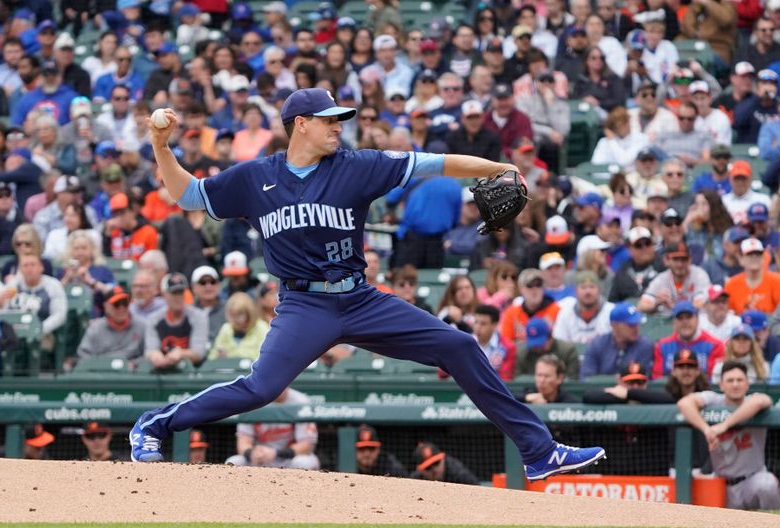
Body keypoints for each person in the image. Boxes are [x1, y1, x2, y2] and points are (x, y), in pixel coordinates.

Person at [128, 89, 605, 480]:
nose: (339, 126)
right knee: (260, 388)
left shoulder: (358, 165)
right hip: (303, 306)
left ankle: (539, 452)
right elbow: (188, 194)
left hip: (359, 299)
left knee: (459, 346)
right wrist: (162, 146)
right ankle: (156, 424)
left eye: (341, 119)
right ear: (301, 124)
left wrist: (497, 170)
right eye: (329, 119)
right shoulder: (258, 177)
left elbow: (436, 163)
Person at [677, 361, 780, 510]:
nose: (735, 385)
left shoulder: (754, 398)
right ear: (721, 385)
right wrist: (707, 430)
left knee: (767, 484)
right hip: (721, 483)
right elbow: (684, 403)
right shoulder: (713, 400)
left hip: (752, 479)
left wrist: (724, 425)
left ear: (747, 384)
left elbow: (760, 401)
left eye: (740, 380)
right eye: (730, 380)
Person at [226, 387, 320, 470]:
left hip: (289, 459)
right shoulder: (251, 401)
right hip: (259, 459)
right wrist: (252, 453)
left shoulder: (301, 402)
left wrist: (276, 453)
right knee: (233, 462)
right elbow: (243, 443)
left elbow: (307, 446)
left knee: (303, 463)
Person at [143, 273, 208, 371]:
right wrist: (154, 355)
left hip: (192, 372)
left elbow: (199, 353)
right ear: (164, 294)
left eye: (181, 293)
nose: (178, 297)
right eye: (174, 293)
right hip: (161, 372)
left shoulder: (198, 316)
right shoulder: (154, 319)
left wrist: (182, 353)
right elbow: (150, 349)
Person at [581, 302, 654, 379]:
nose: (636, 329)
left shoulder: (644, 346)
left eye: (637, 324)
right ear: (614, 325)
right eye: (630, 325)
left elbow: (644, 379)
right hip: (600, 390)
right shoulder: (597, 344)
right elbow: (587, 378)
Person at [653, 301, 726, 379]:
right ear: (673, 322)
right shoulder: (662, 346)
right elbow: (657, 378)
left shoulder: (715, 345)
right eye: (680, 318)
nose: (685, 322)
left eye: (689, 317)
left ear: (697, 319)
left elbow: (714, 380)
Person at [76, 287, 146, 365]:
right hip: (101, 372)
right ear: (106, 307)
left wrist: (135, 363)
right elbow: (83, 356)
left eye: (125, 303)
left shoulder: (142, 325)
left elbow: (149, 354)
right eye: (116, 304)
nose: (121, 307)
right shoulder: (96, 328)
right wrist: (101, 365)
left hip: (133, 374)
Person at [638, 242, 711, 315]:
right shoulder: (661, 279)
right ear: (666, 260)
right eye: (675, 259)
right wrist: (657, 302)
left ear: (690, 260)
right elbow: (641, 306)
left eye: (684, 259)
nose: (680, 264)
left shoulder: (699, 275)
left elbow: (700, 305)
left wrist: (674, 307)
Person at [499, 269, 561, 345]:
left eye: (538, 285)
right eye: (529, 285)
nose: (534, 289)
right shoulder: (511, 313)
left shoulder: (556, 310)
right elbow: (506, 344)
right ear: (521, 289)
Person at [724, 238, 780, 315]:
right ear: (741, 259)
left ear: (763, 258)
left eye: (758, 254)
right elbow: (729, 316)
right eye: (749, 254)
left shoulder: (777, 281)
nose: (754, 258)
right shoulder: (731, 284)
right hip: (741, 325)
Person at [208, 292, 270, 360]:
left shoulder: (261, 328)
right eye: (232, 315)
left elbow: (267, 357)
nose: (235, 320)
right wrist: (219, 357)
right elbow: (212, 357)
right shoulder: (226, 328)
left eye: (239, 315)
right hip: (228, 370)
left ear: (249, 313)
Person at [608, 226, 663, 302]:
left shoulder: (664, 265)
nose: (644, 248)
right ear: (629, 249)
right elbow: (613, 301)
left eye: (647, 243)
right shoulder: (622, 273)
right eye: (638, 245)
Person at [515, 317, 580, 379]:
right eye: (533, 344)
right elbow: (518, 381)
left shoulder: (567, 351)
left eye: (540, 344)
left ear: (550, 339)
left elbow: (572, 379)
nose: (536, 347)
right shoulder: (523, 354)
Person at [472, 305, 515, 381]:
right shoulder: (466, 343)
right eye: (476, 322)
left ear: (494, 325)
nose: (477, 327)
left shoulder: (507, 347)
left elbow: (505, 378)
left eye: (483, 324)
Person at [410, 442, 479, 485]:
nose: (434, 470)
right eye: (428, 468)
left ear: (443, 459)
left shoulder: (459, 474)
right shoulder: (415, 481)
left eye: (436, 463)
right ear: (420, 470)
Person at [191, 266, 226, 343]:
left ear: (219, 285)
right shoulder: (189, 312)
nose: (208, 286)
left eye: (212, 282)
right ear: (194, 287)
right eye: (203, 282)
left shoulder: (229, 310)